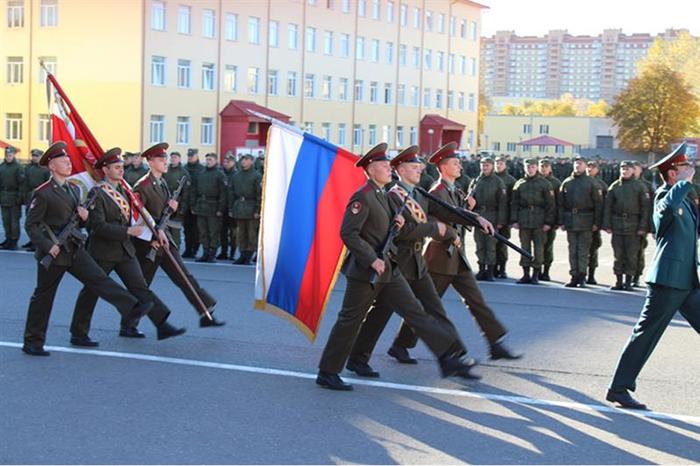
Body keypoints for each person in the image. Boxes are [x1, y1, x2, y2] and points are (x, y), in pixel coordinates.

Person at [317, 143, 482, 391]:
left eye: (388, 164)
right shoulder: (362, 196)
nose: (388, 168)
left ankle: (449, 360)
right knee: (350, 320)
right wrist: (372, 259)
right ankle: (328, 372)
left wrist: (397, 222)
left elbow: (400, 229)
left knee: (416, 312)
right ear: (371, 170)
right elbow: (348, 234)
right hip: (366, 271)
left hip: (391, 268)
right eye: (383, 165)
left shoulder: (384, 195)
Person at [21, 141, 153, 356]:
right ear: (52, 166)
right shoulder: (43, 192)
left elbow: (78, 221)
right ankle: (33, 342)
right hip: (53, 253)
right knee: (44, 297)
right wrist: (47, 246)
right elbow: (31, 225)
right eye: (63, 162)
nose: (68, 164)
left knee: (98, 279)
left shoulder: (73, 188)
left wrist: (84, 217)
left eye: (68, 160)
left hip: (73, 247)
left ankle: (132, 306)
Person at [606, 142, 700, 410]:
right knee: (645, 335)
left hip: (687, 281)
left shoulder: (687, 201)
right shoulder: (664, 197)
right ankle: (619, 388)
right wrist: (683, 184)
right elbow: (668, 211)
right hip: (667, 282)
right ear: (673, 173)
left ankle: (619, 387)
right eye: (683, 167)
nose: (689, 169)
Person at [69, 148, 186, 343]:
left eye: (122, 167)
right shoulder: (97, 193)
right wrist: (127, 232)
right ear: (105, 170)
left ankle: (160, 325)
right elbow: (97, 226)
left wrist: (155, 233)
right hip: (103, 251)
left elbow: (139, 216)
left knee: (140, 287)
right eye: (116, 167)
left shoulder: (125, 191)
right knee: (91, 292)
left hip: (125, 249)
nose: (121, 170)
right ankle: (78, 333)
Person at [132, 143, 225, 329]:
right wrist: (151, 239)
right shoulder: (142, 186)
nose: (165, 162)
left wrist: (172, 208)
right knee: (141, 286)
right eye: (160, 159)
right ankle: (129, 323)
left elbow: (162, 214)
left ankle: (205, 312)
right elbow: (136, 218)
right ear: (150, 162)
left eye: (165, 158)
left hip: (165, 240)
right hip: (150, 244)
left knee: (184, 277)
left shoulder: (162, 182)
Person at [602, 161, 651, 291]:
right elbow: (608, 207)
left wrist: (643, 227)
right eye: (623, 169)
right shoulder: (614, 186)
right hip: (617, 223)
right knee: (618, 254)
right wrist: (607, 224)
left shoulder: (640, 187)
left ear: (633, 171)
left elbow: (645, 209)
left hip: (633, 225)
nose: (625, 171)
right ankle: (618, 281)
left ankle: (629, 281)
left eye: (628, 169)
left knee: (631, 254)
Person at [558, 156, 604, 287]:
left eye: (580, 164)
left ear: (585, 166)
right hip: (571, 220)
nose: (577, 166)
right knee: (572, 250)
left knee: (583, 251)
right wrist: (561, 221)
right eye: (576, 163)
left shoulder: (591, 183)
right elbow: (561, 204)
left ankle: (582, 276)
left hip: (586, 220)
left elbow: (598, 204)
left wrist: (597, 222)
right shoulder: (567, 182)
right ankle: (574, 276)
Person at [511, 158, 555, 284]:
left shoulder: (545, 184)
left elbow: (550, 205)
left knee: (538, 248)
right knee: (524, 247)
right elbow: (514, 203)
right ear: (524, 168)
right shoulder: (520, 183)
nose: (530, 169)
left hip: (539, 220)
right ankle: (525, 273)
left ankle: (536, 273)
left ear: (536, 168)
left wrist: (548, 222)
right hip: (524, 219)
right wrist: (514, 219)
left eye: (532, 167)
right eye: (528, 167)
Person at [467, 157, 508, 281]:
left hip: (492, 216)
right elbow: (470, 199)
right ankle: (481, 269)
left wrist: (501, 221)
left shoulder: (498, 182)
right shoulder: (476, 181)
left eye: (487, 165)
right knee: (479, 244)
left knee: (490, 245)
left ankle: (490, 271)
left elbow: (502, 203)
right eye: (483, 165)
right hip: (478, 216)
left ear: (492, 167)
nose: (485, 168)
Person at [192, 153, 227, 263]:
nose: (208, 162)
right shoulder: (200, 174)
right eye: (207, 159)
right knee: (203, 231)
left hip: (213, 207)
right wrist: (193, 205)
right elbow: (194, 190)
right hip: (201, 206)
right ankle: (205, 252)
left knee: (213, 232)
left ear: (216, 161)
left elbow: (223, 194)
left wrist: (220, 209)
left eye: (210, 160)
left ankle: (212, 253)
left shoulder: (219, 175)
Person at [229, 153, 262, 265]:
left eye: (246, 159)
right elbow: (231, 193)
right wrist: (231, 208)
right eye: (242, 159)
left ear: (251, 161)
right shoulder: (236, 176)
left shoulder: (256, 176)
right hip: (239, 207)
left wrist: (257, 210)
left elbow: (259, 194)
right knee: (240, 233)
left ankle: (249, 255)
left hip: (251, 207)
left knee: (251, 233)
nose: (243, 161)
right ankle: (242, 254)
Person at [21, 149, 50, 251]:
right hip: (30, 195)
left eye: (37, 156)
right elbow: (24, 183)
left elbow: (48, 184)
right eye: (33, 156)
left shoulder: (45, 169)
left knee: (37, 221)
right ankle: (31, 240)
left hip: (40, 196)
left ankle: (37, 243)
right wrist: (23, 197)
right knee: (29, 220)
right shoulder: (28, 168)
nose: (34, 158)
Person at [585, 160, 609, 285]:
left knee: (593, 249)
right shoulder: (581, 182)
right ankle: (581, 274)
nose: (590, 169)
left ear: (597, 170)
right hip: (582, 221)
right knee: (582, 250)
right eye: (588, 167)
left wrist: (599, 223)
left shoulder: (602, 185)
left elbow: (605, 206)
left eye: (593, 167)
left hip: (594, 222)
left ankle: (591, 274)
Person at [537, 159, 561, 281]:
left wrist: (556, 222)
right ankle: (536, 270)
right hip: (536, 219)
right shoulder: (535, 181)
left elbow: (558, 204)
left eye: (546, 166)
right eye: (541, 166)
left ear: (550, 168)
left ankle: (546, 271)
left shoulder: (556, 183)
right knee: (537, 246)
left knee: (547, 247)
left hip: (550, 220)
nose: (543, 169)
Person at [161, 150, 190, 250]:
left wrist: (182, 208)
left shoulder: (184, 172)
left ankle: (175, 250)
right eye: (172, 157)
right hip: (165, 203)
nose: (173, 159)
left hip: (178, 204)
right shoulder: (166, 170)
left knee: (175, 230)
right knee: (164, 228)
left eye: (175, 157)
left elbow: (186, 192)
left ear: (180, 159)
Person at [494, 155, 517, 278]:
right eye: (497, 163)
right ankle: (492, 268)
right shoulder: (491, 178)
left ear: (505, 165)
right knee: (491, 244)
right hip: (491, 215)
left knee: (502, 245)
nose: (498, 166)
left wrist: (511, 219)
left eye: (501, 164)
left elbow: (513, 201)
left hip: (505, 216)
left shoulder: (510, 180)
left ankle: (502, 268)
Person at [633, 161, 655, 287]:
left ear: (640, 170)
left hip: (640, 224)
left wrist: (649, 227)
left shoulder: (646, 186)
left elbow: (650, 208)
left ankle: (636, 276)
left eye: (636, 168)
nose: (634, 171)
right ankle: (626, 276)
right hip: (626, 223)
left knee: (638, 251)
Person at [0, 146, 25, 250]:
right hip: (4, 197)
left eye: (10, 155)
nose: (8, 157)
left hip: (14, 197)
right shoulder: (2, 166)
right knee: (6, 221)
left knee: (14, 221)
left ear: (13, 155)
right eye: (6, 155)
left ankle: (14, 241)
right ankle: (8, 239)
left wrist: (19, 198)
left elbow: (22, 184)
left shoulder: (18, 167)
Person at [182, 148, 204, 258]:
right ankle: (187, 249)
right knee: (187, 229)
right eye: (189, 156)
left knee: (196, 229)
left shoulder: (201, 170)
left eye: (192, 156)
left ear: (197, 156)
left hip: (197, 203)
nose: (190, 157)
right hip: (186, 203)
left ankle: (195, 249)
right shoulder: (184, 168)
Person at [219, 153, 238, 260]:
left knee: (233, 232)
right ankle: (223, 251)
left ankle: (233, 252)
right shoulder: (221, 174)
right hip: (223, 207)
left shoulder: (236, 175)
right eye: (225, 161)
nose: (226, 164)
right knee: (222, 232)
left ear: (233, 163)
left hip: (233, 207)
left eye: (228, 162)